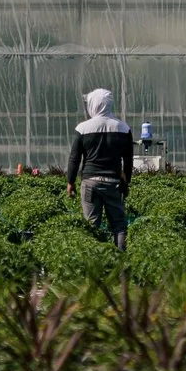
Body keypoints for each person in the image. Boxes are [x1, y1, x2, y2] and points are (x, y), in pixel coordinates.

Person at [67, 88, 134, 252]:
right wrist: (126, 183)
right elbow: (128, 160)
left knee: (92, 225)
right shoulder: (123, 128)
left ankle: (94, 260)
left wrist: (70, 182)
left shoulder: (83, 128)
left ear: (93, 104)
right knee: (119, 225)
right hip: (113, 183)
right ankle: (121, 259)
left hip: (90, 183)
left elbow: (75, 158)